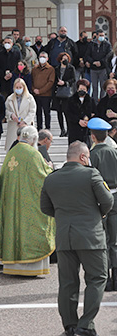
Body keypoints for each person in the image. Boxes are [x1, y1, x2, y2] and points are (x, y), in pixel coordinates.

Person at [40, 141, 113, 336]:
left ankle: (70, 326)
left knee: (67, 283)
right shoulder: (91, 174)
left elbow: (45, 207)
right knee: (97, 278)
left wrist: (64, 217)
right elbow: (108, 200)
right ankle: (85, 324)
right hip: (91, 236)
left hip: (65, 236)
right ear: (83, 157)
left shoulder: (52, 178)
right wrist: (98, 214)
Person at [0, 126, 54, 276]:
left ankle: (13, 267)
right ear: (33, 140)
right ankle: (31, 268)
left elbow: (3, 179)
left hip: (12, 203)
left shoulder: (11, 152)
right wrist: (50, 168)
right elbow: (43, 177)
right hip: (29, 203)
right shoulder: (33, 154)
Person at [88, 117, 117, 292]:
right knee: (115, 240)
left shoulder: (92, 155)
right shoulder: (115, 152)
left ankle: (105, 280)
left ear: (93, 136)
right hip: (116, 197)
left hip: (99, 200)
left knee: (102, 242)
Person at [4, 78, 36, 150]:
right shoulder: (10, 98)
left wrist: (25, 121)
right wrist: (11, 115)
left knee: (26, 147)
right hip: (14, 126)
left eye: (20, 87)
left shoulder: (30, 98)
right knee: (13, 147)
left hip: (26, 125)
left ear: (24, 87)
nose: (18, 89)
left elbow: (32, 111)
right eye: (17, 87)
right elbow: (6, 110)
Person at [66, 79, 96, 144]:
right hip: (74, 129)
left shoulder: (91, 100)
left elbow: (94, 113)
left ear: (87, 90)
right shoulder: (71, 100)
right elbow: (68, 113)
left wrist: (88, 121)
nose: (82, 91)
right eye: (80, 89)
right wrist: (78, 121)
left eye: (84, 89)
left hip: (87, 130)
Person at [55, 52, 77, 137]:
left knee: (66, 112)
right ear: (60, 60)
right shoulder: (57, 68)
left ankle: (68, 130)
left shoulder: (71, 68)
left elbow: (73, 79)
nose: (65, 60)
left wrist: (65, 83)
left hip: (67, 92)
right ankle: (62, 129)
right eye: (63, 59)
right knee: (59, 112)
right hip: (58, 91)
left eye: (67, 59)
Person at [85, 30, 112, 101]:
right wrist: (93, 62)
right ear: (96, 36)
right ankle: (95, 102)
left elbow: (108, 55)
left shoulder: (107, 44)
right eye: (100, 35)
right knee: (94, 87)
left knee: (103, 86)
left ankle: (102, 102)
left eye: (103, 35)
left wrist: (101, 62)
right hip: (93, 69)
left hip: (103, 68)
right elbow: (87, 55)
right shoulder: (91, 44)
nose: (102, 37)